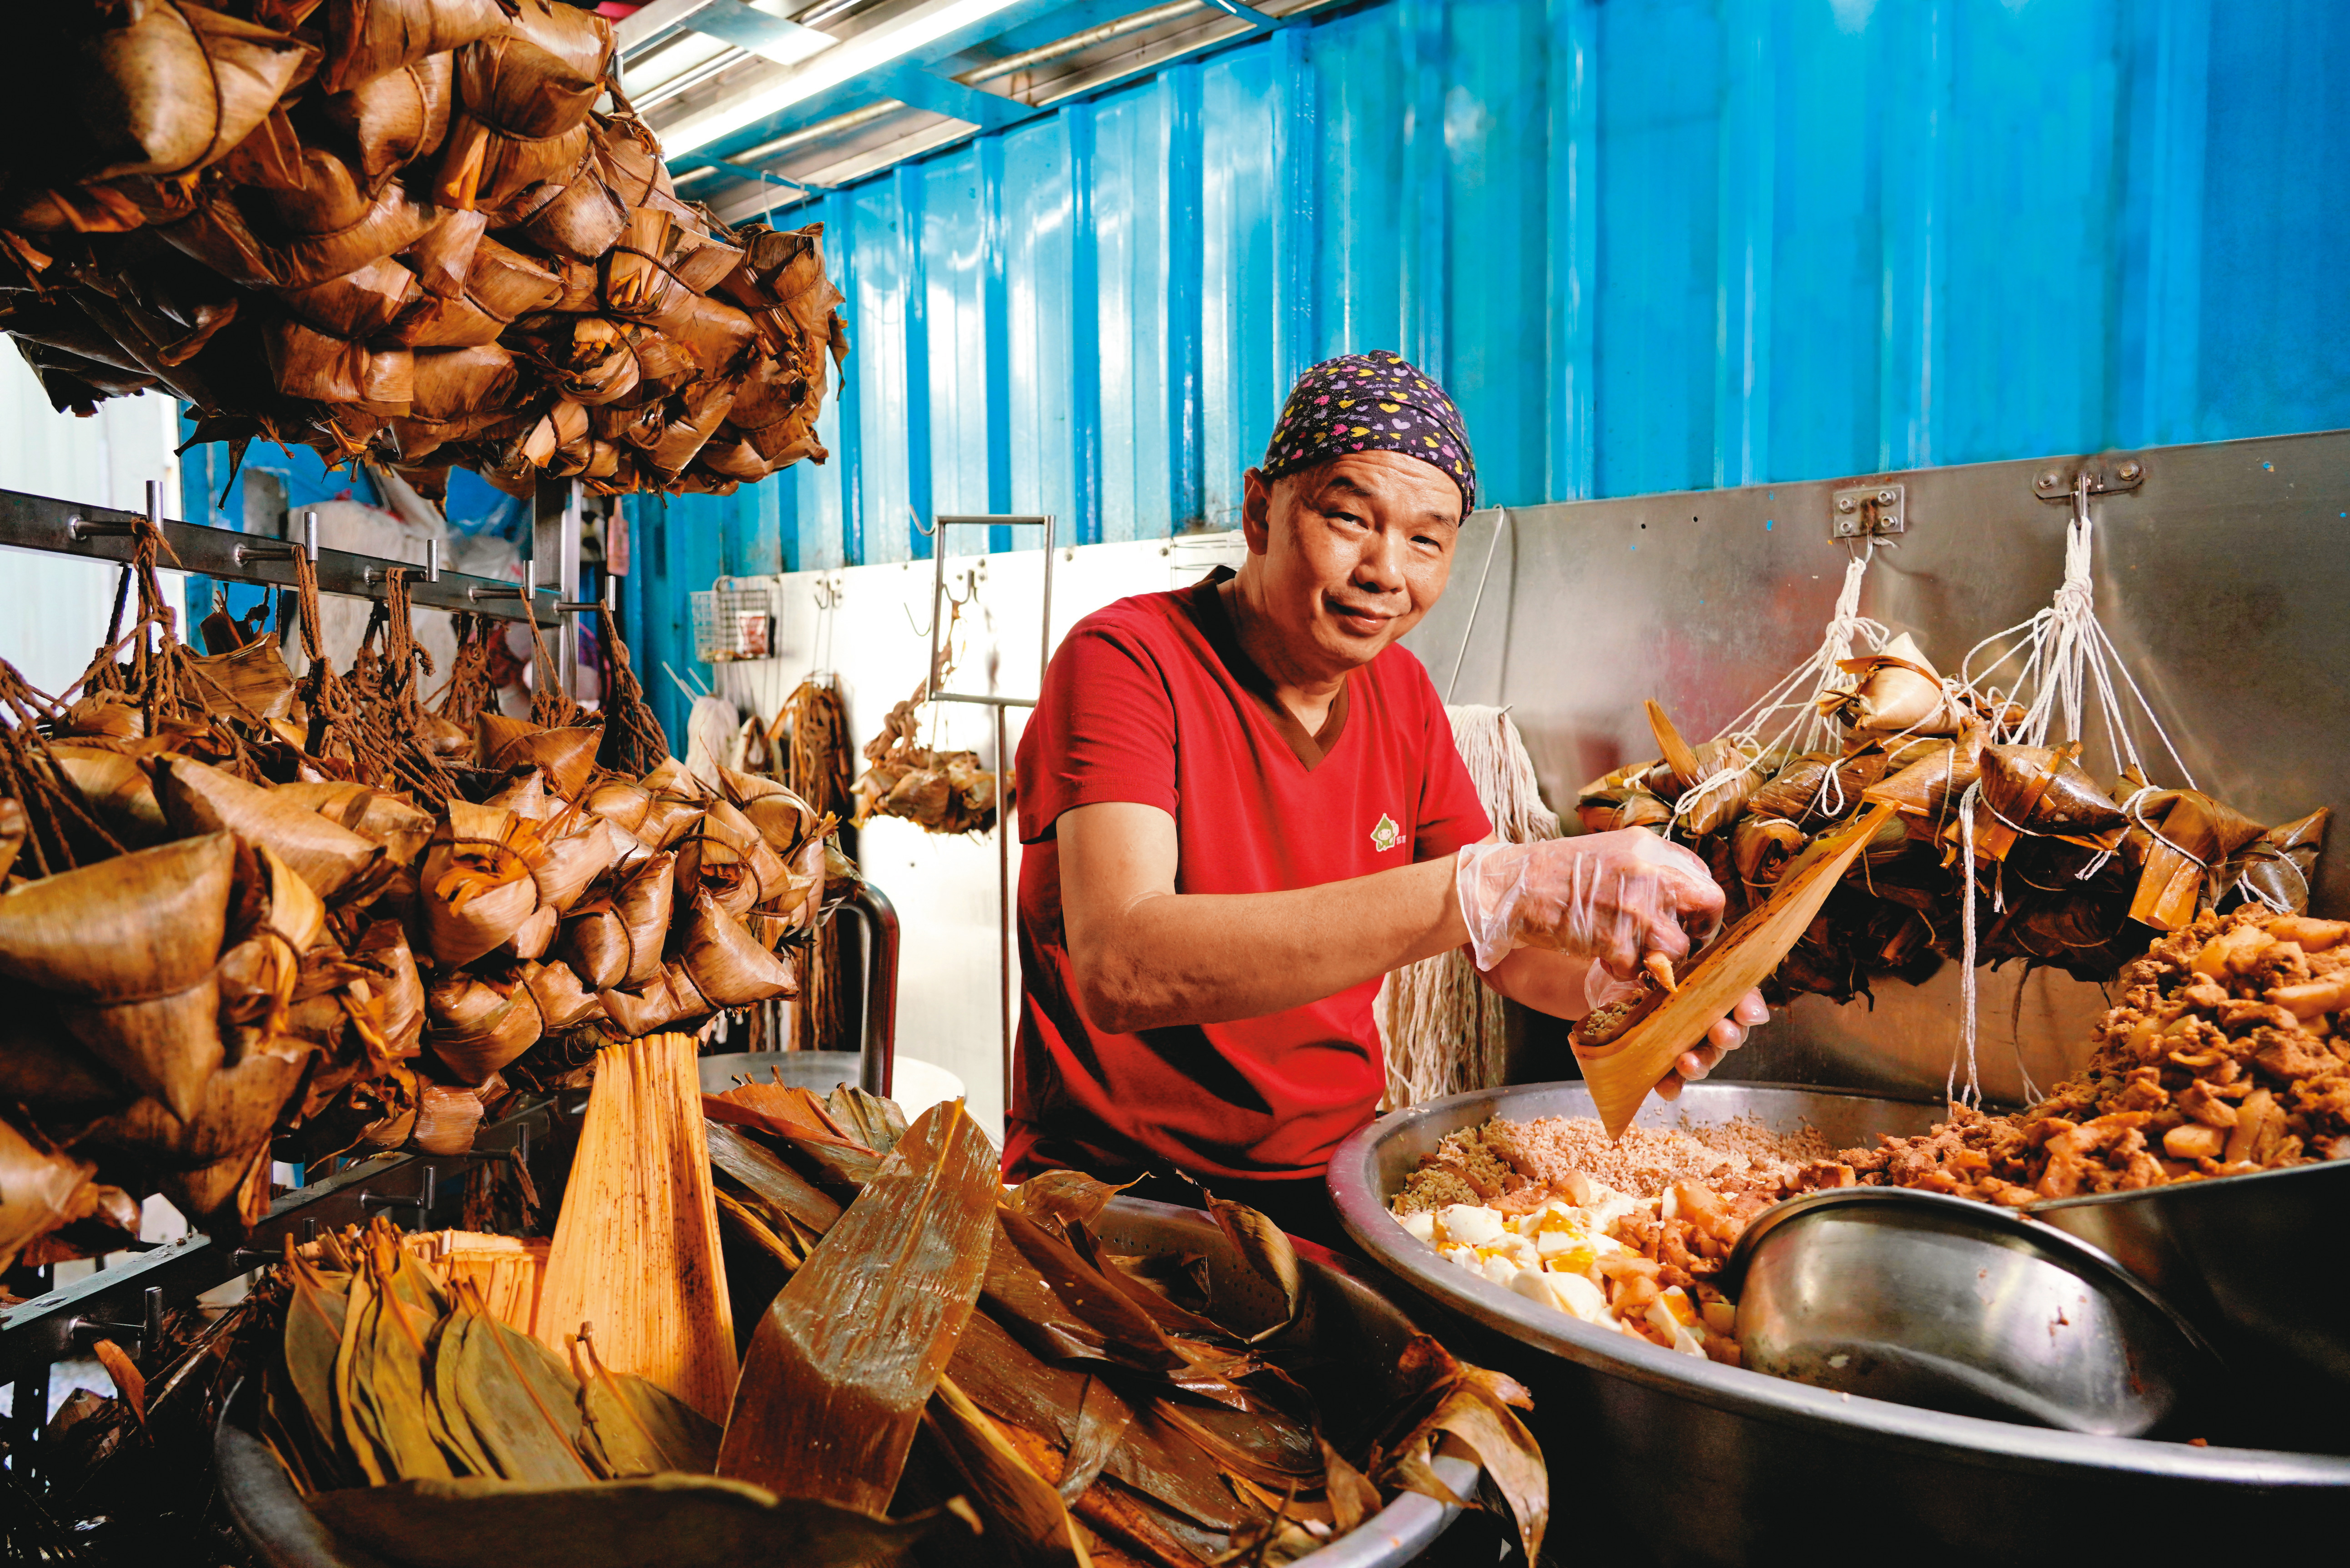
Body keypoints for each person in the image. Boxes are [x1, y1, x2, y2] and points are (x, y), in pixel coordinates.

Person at [1007, 352, 1768, 1248]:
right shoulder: (1129, 661)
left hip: (1335, 1183)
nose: (1385, 570)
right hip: (1119, 1199)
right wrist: (1495, 886)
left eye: (1426, 539)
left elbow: (1508, 952)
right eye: (1346, 518)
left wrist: (1616, 990)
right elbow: (1123, 962)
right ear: (1261, 511)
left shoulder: (1401, 696)